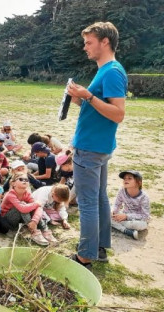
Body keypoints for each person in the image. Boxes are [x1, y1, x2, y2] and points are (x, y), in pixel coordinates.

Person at [67, 22, 127, 268]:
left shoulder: (112, 71)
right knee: (99, 198)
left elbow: (118, 113)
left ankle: (85, 255)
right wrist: (80, 100)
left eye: (89, 42)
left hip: (90, 148)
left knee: (88, 202)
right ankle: (99, 247)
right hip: (98, 146)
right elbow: (100, 108)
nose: (85, 47)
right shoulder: (106, 69)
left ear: (105, 42)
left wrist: (88, 96)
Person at [1, 172, 56, 246]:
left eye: (26, 180)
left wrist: (34, 221)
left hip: (20, 218)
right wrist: (36, 204)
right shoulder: (10, 194)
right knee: (24, 205)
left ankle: (44, 230)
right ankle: (34, 231)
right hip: (8, 220)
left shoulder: (27, 193)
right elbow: (23, 208)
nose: (24, 181)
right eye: (21, 179)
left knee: (32, 207)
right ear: (13, 183)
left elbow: (39, 208)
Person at [111, 170, 150, 240]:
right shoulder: (122, 191)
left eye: (129, 178)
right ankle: (126, 231)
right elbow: (117, 204)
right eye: (124, 178)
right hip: (123, 215)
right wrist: (114, 211)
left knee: (141, 225)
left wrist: (126, 216)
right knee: (107, 212)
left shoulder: (144, 197)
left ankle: (118, 226)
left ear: (138, 182)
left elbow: (145, 216)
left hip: (137, 220)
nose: (126, 180)